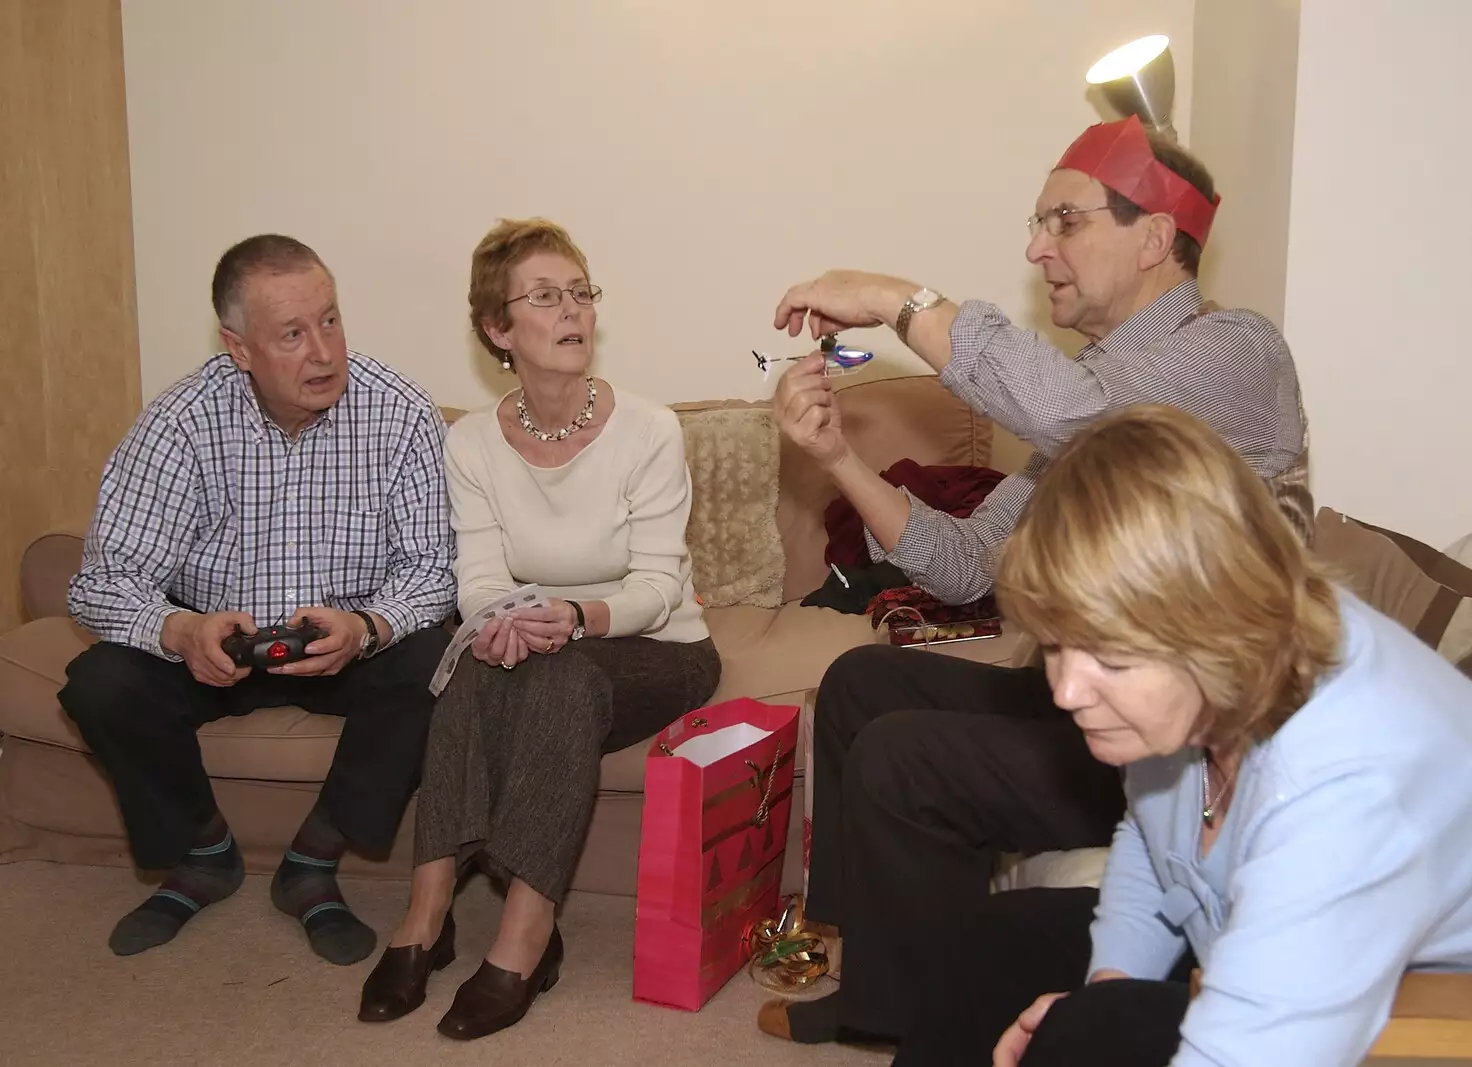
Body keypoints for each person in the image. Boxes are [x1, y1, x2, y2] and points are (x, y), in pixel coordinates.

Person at [757, 116, 1312, 1045]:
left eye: (1064, 220)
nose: (1035, 246)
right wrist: (840, 459)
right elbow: (971, 561)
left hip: (1185, 739)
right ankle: (882, 987)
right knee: (861, 683)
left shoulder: (1236, 351)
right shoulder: (1097, 386)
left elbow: (1083, 414)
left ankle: (919, 1014)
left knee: (906, 757)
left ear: (1155, 236)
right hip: (1101, 697)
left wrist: (891, 297)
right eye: (1037, 221)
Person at [892, 402, 1472, 1066]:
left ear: (1214, 620)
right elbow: (1156, 836)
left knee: (1086, 1037)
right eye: (1054, 645)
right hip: (1312, 939)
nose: (1066, 690)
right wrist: (1112, 977)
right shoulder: (1218, 677)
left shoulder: (1350, 780)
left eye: (1109, 656)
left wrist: (1099, 1015)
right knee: (980, 948)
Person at [358, 218, 721, 1041]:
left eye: (582, 292)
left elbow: (659, 588)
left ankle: (526, 930)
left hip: (658, 647)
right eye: (547, 296)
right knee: (466, 670)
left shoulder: (649, 430)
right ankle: (427, 912)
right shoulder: (471, 442)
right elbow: (482, 577)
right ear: (498, 328)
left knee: (566, 673)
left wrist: (577, 618)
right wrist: (494, 625)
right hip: (535, 639)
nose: (574, 311)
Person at [59, 234, 456, 967]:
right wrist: (180, 631)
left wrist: (369, 626)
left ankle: (313, 859)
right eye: (293, 334)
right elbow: (100, 581)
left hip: (344, 642)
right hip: (218, 645)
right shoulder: (181, 423)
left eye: (331, 320)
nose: (324, 352)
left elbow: (433, 570)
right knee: (100, 681)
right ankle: (205, 851)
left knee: (436, 659)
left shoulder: (399, 413)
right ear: (238, 348)